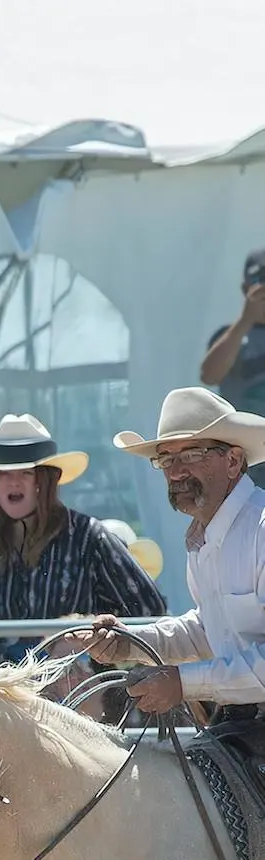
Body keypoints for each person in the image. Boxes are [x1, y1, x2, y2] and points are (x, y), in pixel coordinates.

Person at [89, 389, 265, 715]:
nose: (176, 471)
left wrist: (183, 683)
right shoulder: (206, 538)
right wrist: (133, 641)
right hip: (243, 725)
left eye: (191, 454)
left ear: (233, 461)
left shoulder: (260, 529)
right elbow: (209, 630)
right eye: (167, 459)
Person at [0, 413, 166, 663]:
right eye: (3, 473)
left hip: (78, 690)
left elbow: (149, 609)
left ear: (46, 481)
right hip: (0, 690)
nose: (14, 482)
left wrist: (89, 630)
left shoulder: (90, 538)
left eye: (26, 473)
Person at [199, 250, 265, 427]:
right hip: (247, 450)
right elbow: (209, 376)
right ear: (246, 289)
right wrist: (245, 320)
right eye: (260, 282)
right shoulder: (230, 337)